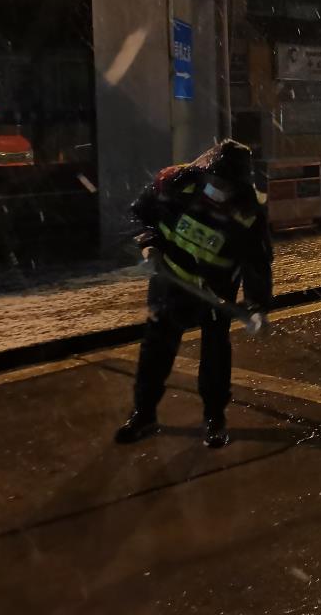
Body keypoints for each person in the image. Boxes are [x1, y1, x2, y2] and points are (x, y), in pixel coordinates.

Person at [114, 140, 273, 449]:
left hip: (216, 291)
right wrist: (148, 243)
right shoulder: (176, 184)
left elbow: (257, 262)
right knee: (156, 350)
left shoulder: (248, 212)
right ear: (206, 171)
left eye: (227, 184)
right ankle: (144, 414)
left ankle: (214, 418)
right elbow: (141, 214)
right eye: (216, 180)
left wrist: (256, 306)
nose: (219, 189)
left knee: (215, 354)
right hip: (169, 282)